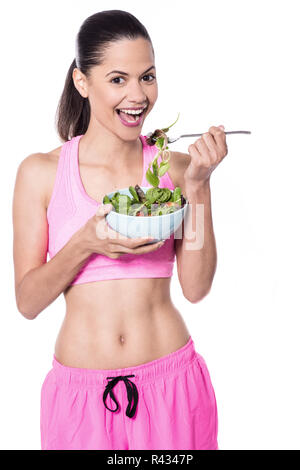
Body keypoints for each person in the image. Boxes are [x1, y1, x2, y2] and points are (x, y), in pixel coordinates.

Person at [13, 10, 227, 450]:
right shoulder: (41, 173)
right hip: (80, 403)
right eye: (118, 79)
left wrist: (199, 188)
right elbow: (28, 302)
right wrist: (84, 244)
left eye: (147, 77)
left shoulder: (178, 168)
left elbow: (197, 287)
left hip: (172, 387)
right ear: (82, 82)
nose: (138, 95)